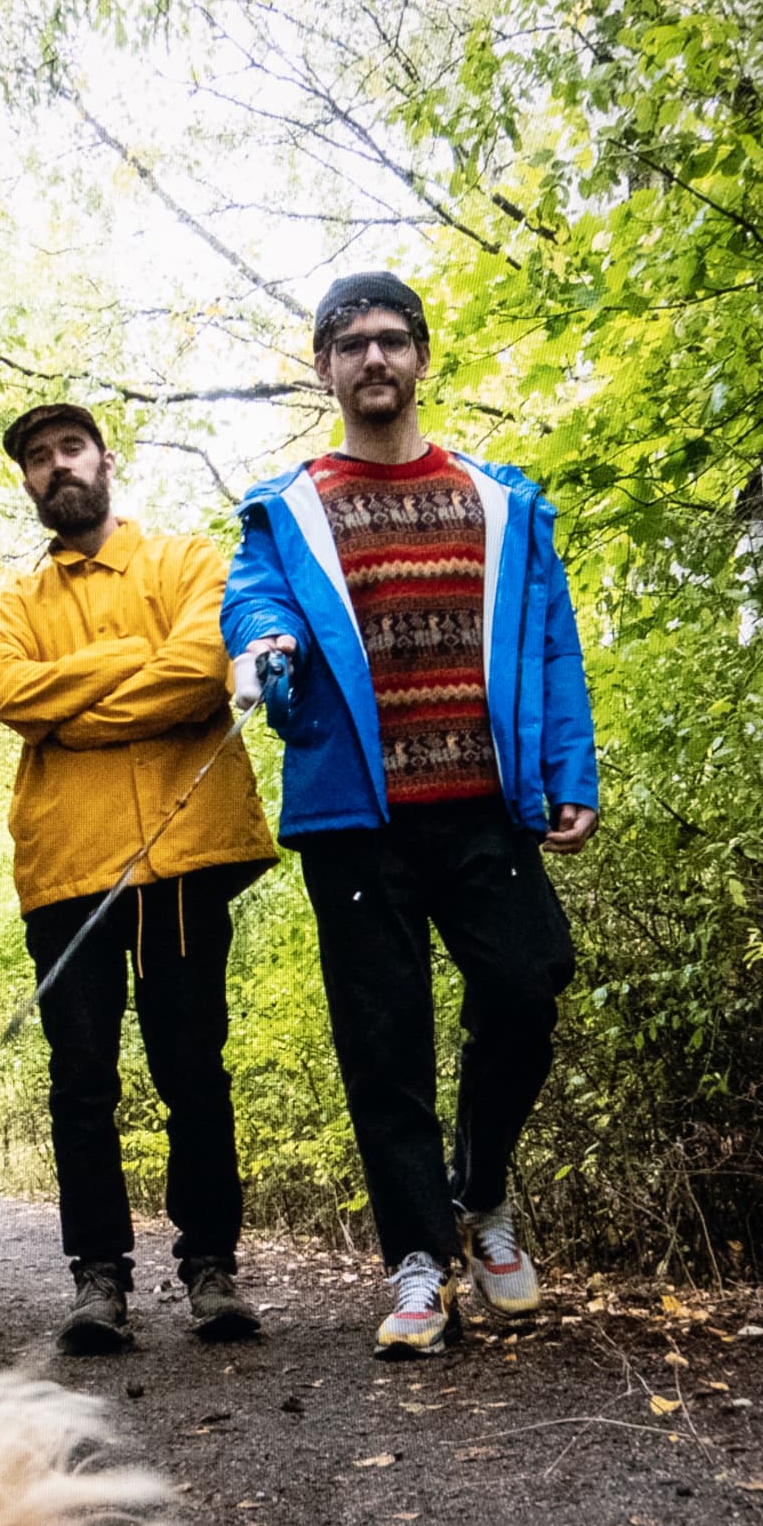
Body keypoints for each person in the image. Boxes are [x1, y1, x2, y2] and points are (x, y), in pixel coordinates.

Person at [221, 272, 600, 1356]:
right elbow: (254, 602)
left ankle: (480, 1195)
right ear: (325, 368)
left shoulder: (499, 502)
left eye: (391, 341)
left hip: (484, 802)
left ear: (421, 356)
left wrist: (569, 766)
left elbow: (548, 642)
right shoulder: (286, 508)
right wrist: (268, 651)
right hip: (353, 818)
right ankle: (418, 1262)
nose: (373, 360)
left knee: (529, 983)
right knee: (383, 1040)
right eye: (351, 344)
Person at [0, 404, 280, 1354]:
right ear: (28, 482)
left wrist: (77, 700)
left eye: (69, 448)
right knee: (80, 1080)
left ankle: (210, 1267)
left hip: (177, 858)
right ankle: (97, 1277)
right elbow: (7, 693)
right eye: (37, 458)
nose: (56, 466)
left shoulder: (188, 562)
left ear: (105, 459)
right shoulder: (14, 605)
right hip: (64, 865)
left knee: (192, 1068)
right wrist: (128, 671)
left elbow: (199, 667)